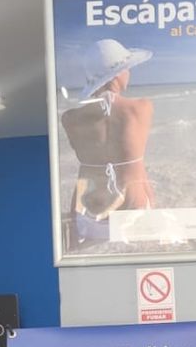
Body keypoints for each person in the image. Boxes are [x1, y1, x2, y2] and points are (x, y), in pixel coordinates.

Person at [59, 38, 154, 249]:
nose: (129, 73)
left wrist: (74, 222)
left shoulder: (70, 118)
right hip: (132, 212)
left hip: (90, 212)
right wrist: (153, 203)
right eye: (127, 68)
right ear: (118, 73)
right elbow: (138, 167)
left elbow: (84, 171)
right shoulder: (141, 108)